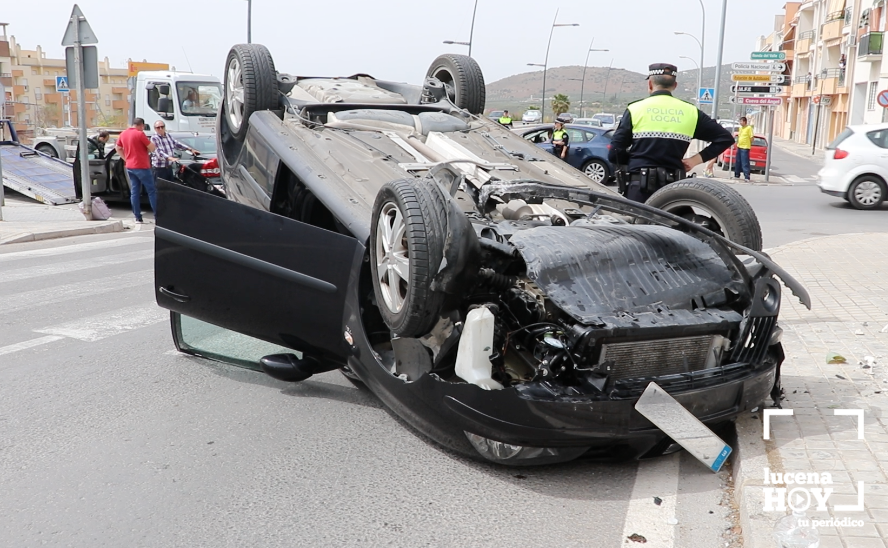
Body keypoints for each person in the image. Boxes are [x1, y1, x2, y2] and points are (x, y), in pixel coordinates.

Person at [608, 62, 734, 203]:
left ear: (650, 84)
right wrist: (694, 160)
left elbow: (615, 153)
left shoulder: (635, 109)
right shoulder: (690, 112)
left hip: (639, 189)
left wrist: (633, 160)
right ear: (675, 86)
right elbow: (725, 138)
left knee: (637, 224)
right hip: (674, 191)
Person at [115, 117, 157, 223]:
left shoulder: (123, 133)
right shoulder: (140, 134)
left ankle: (138, 217)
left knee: (134, 192)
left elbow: (118, 148)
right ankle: (158, 216)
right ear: (141, 125)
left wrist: (126, 158)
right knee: (151, 191)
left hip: (130, 166)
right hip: (142, 166)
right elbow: (152, 148)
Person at [72, 131, 112, 200]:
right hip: (88, 163)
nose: (106, 141)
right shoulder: (91, 143)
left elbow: (101, 153)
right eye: (106, 139)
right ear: (102, 138)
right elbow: (87, 155)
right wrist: (97, 157)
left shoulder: (101, 142)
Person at [734, 116, 753, 181]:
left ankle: (747, 176)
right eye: (740, 121)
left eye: (741, 121)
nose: (740, 123)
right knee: (738, 161)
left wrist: (749, 143)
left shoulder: (749, 128)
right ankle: (737, 174)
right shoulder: (741, 128)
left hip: (745, 147)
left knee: (745, 162)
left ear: (745, 122)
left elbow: (752, 138)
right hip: (739, 146)